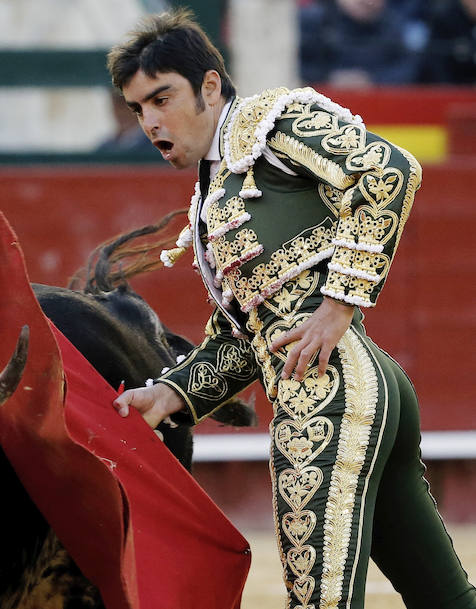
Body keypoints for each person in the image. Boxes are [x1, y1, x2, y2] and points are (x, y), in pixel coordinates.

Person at [107, 8, 476, 609]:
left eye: (161, 98)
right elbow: (246, 337)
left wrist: (337, 308)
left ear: (208, 85)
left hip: (327, 397)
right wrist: (171, 394)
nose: (150, 121)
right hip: (347, 388)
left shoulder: (273, 122)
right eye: (137, 109)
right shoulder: (213, 193)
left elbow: (389, 170)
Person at [299, 0, 424, 86]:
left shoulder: (395, 26)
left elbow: (410, 68)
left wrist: (372, 80)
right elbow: (295, 66)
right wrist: (329, 78)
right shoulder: (312, 21)